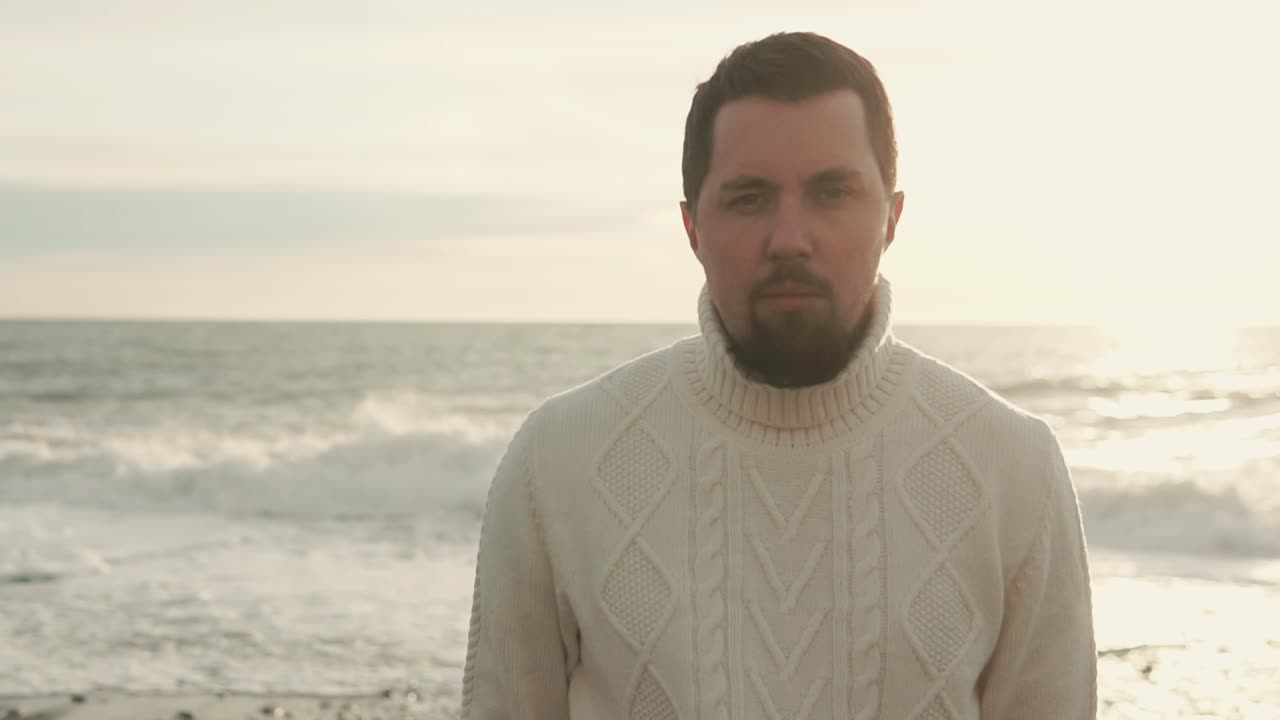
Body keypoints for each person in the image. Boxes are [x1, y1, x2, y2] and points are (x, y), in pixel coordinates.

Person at [461, 31, 1096, 720]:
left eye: (831, 192)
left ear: (892, 218)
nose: (790, 237)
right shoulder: (559, 461)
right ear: (692, 227)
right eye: (749, 197)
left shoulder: (1013, 469)